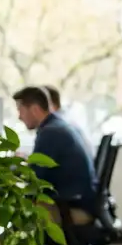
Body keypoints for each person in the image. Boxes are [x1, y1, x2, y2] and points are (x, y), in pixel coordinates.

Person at [12, 86, 98, 225]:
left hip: (70, 204)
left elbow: (35, 179)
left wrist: (11, 170)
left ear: (34, 109)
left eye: (20, 110)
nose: (19, 116)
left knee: (14, 209)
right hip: (81, 199)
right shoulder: (59, 126)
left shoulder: (50, 133)